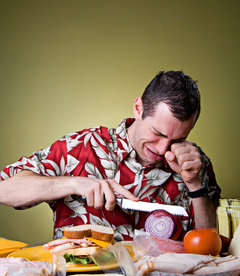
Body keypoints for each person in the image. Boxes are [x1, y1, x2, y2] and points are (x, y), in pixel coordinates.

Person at [0, 71, 221, 241]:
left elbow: (210, 247)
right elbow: (4, 189)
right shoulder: (81, 148)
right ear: (138, 108)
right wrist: (73, 183)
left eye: (176, 139)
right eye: (157, 133)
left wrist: (195, 184)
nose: (164, 149)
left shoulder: (194, 163)